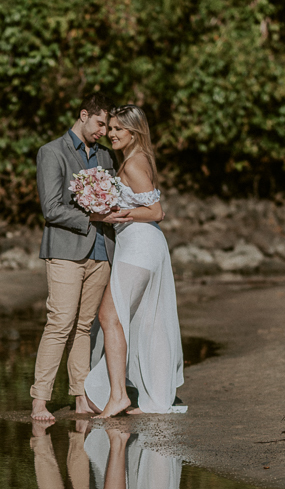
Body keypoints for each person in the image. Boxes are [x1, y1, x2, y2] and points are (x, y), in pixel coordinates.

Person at [31, 93, 134, 423]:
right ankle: (39, 401)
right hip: (65, 251)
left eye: (107, 125)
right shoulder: (51, 152)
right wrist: (90, 217)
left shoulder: (104, 156)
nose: (104, 131)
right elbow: (51, 208)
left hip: (102, 251)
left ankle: (80, 397)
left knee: (84, 327)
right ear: (83, 114)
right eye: (100, 123)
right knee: (60, 323)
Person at [84, 104, 186, 417]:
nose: (111, 134)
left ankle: (118, 396)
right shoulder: (139, 159)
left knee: (109, 317)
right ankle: (153, 397)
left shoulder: (132, 164)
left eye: (118, 129)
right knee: (148, 320)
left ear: (135, 132)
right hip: (144, 245)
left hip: (140, 246)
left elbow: (157, 212)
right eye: (110, 129)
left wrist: (118, 216)